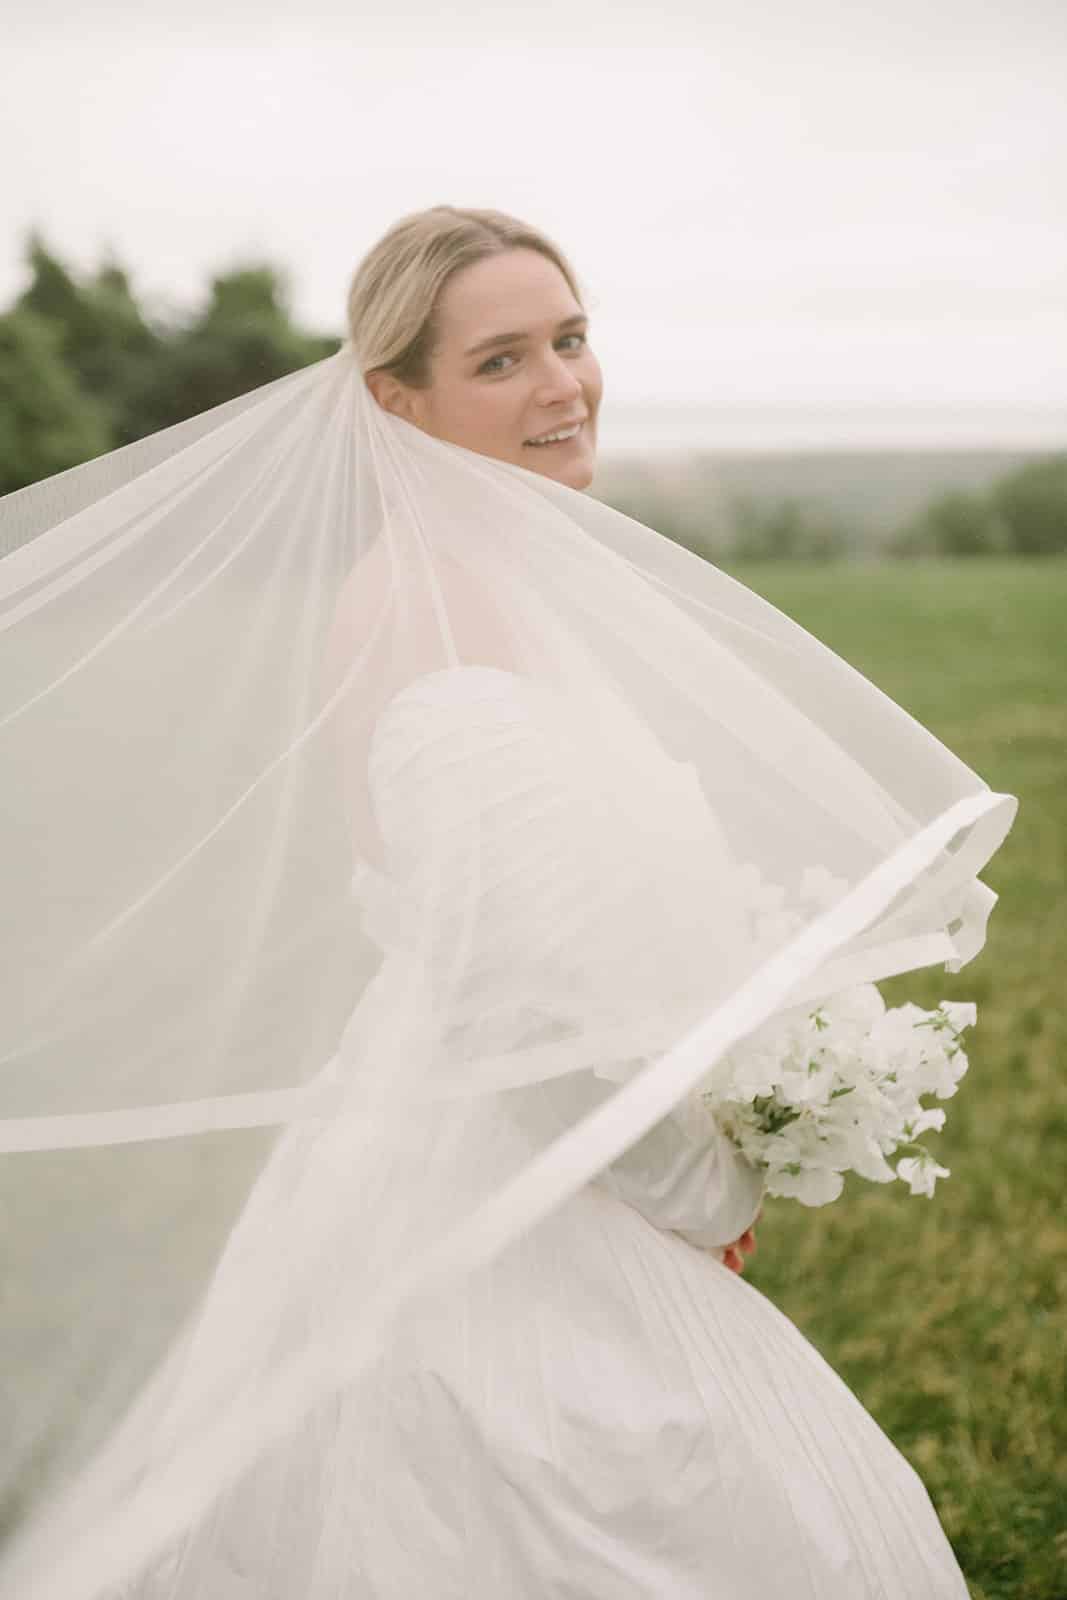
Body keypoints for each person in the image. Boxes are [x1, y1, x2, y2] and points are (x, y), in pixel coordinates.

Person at [0, 207, 1014, 1599]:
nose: (563, 386)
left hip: (492, 1147)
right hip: (513, 1192)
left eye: (573, 338)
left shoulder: (494, 587)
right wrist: (695, 1181)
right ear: (393, 402)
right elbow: (516, 998)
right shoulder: (436, 614)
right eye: (501, 361)